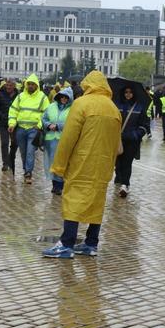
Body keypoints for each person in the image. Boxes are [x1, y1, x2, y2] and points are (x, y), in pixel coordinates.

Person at [42, 71, 121, 259]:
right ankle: (91, 243)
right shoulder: (113, 108)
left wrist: (59, 165)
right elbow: (115, 143)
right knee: (97, 202)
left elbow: (68, 137)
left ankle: (67, 244)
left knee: (73, 200)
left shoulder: (81, 104)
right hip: (103, 165)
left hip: (81, 162)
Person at [8, 74, 49, 184]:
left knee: (30, 151)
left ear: (36, 86)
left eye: (32, 84)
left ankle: (28, 173)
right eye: (29, 84)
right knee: (23, 152)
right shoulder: (20, 96)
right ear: (26, 85)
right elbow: (13, 111)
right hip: (21, 129)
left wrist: (39, 125)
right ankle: (26, 170)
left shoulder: (42, 97)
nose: (30, 86)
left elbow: (47, 113)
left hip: (34, 130)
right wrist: (11, 124)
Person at [114, 84, 151, 197]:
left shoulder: (139, 107)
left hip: (131, 140)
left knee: (127, 162)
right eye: (126, 92)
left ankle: (125, 184)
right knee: (118, 163)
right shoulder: (116, 105)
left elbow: (145, 124)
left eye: (130, 92)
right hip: (118, 139)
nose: (128, 94)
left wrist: (137, 135)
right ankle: (119, 177)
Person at [41, 86, 74, 195]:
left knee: (61, 163)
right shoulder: (51, 107)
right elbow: (43, 119)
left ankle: (60, 186)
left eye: (66, 97)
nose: (63, 99)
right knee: (52, 163)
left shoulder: (73, 109)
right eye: (62, 96)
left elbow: (73, 124)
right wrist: (49, 125)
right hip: (50, 141)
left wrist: (58, 126)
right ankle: (55, 185)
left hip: (63, 140)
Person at [0, 80, 19, 172]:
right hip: (4, 123)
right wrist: (1, 115)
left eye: (10, 86)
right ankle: (5, 163)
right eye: (7, 85)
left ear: (14, 86)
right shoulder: (0, 95)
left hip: (16, 124)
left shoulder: (19, 96)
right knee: (5, 143)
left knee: (15, 144)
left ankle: (11, 160)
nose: (8, 87)